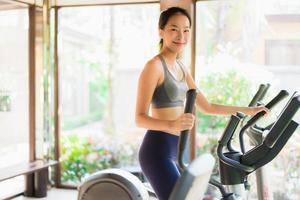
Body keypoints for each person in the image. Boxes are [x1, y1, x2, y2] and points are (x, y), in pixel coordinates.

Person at [135, 7, 269, 200]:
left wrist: (249, 110)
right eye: (174, 29)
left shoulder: (181, 67)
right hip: (157, 150)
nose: (181, 35)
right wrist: (172, 124)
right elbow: (139, 118)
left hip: (175, 149)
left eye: (186, 30)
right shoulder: (154, 66)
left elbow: (208, 106)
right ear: (161, 31)